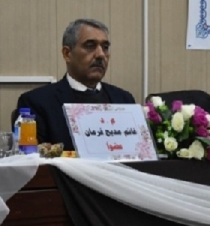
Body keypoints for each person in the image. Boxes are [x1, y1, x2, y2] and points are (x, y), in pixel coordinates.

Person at [16, 19, 136, 151]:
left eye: (105, 47)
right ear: (67, 54)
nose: (101, 54)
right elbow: (35, 164)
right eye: (90, 46)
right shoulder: (37, 102)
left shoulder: (124, 100)